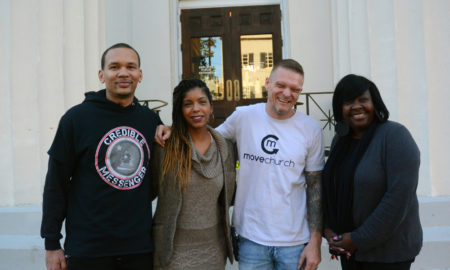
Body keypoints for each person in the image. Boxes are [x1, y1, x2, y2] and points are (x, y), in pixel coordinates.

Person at [156, 59, 325, 270]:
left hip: (294, 243)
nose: (287, 93)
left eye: (295, 89)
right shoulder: (244, 117)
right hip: (250, 240)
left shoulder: (311, 129)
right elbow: (206, 135)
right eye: (280, 86)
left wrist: (316, 241)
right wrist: (174, 129)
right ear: (267, 83)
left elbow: (315, 187)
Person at [40, 43, 162, 270]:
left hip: (139, 249)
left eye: (131, 67)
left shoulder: (150, 121)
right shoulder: (76, 119)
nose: (123, 73)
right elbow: (56, 183)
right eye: (114, 67)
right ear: (101, 74)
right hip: (89, 250)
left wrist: (171, 129)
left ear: (140, 74)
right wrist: (52, 242)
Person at [322, 74, 422, 270]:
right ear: (340, 109)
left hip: (388, 255)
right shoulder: (340, 142)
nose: (357, 106)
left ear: (374, 103)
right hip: (350, 252)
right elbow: (331, 186)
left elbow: (398, 199)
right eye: (349, 102)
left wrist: (358, 238)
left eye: (363, 100)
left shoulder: (395, 136)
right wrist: (329, 229)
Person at [150, 78, 236, 270]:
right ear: (180, 110)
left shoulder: (226, 148)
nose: (196, 109)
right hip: (172, 253)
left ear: (211, 107)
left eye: (202, 102)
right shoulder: (165, 147)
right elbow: (148, 191)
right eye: (188, 104)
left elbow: (229, 197)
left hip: (214, 251)